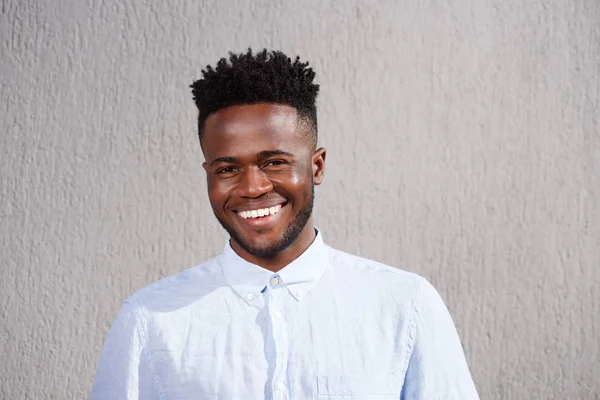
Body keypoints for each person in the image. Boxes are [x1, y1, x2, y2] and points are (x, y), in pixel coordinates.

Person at [89, 48, 479, 399]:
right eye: (227, 168)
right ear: (207, 173)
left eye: (274, 162)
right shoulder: (149, 319)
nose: (252, 187)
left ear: (317, 166)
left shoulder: (404, 305)